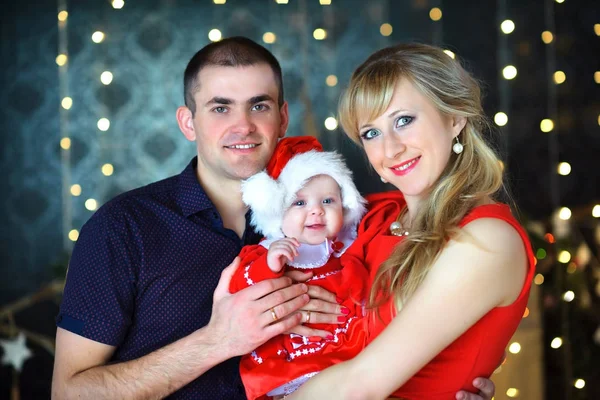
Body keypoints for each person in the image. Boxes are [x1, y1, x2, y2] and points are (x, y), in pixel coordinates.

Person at [51, 36, 496, 399]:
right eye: (220, 107)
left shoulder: (343, 220)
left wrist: (440, 385)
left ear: (282, 118)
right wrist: (217, 340)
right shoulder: (124, 228)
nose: (242, 125)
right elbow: (69, 394)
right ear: (188, 122)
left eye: (259, 105)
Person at [287, 43, 535, 399]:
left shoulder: (486, 240)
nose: (391, 149)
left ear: (454, 118)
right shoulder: (370, 218)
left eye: (404, 120)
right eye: (371, 133)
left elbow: (361, 386)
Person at [229, 137, 369, 399]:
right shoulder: (267, 251)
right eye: (300, 203)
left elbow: (363, 292)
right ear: (278, 213)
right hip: (287, 363)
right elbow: (239, 288)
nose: (316, 212)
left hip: (340, 359)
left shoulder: (347, 251)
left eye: (328, 201)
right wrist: (269, 265)